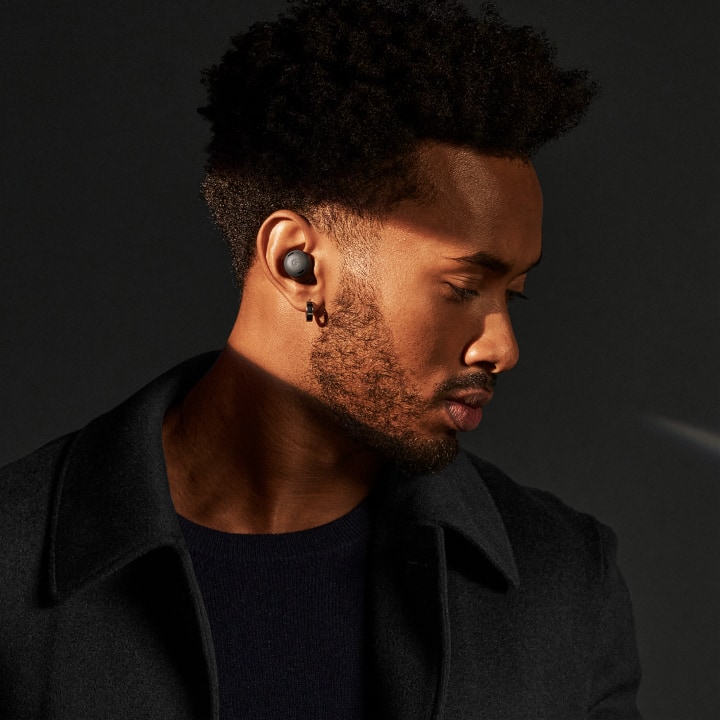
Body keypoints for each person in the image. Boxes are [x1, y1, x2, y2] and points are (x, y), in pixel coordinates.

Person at [0, 0, 642, 718]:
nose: (501, 347)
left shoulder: (561, 578)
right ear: (299, 263)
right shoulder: (11, 566)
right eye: (463, 288)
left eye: (512, 295)